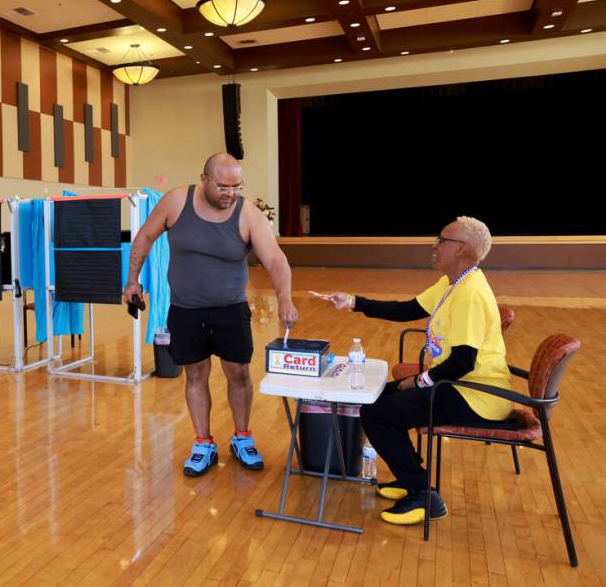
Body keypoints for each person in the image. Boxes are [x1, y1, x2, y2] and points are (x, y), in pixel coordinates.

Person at [323, 216, 512, 525]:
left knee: (377, 414)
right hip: (457, 386)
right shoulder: (454, 282)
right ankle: (410, 478)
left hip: (476, 396)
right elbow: (407, 310)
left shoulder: (471, 294)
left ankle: (424, 495)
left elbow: (463, 362)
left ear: (462, 249)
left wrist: (418, 381)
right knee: (378, 399)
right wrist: (355, 302)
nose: (433, 245)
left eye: (442, 240)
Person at [124, 152, 298, 477]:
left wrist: (285, 300)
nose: (230, 193)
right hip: (186, 311)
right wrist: (132, 280)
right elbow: (145, 237)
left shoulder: (248, 214)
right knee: (195, 375)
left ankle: (242, 438)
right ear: (203, 180)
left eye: (236, 186)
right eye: (222, 186)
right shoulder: (176, 201)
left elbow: (276, 259)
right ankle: (203, 443)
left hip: (230, 311)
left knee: (239, 375)